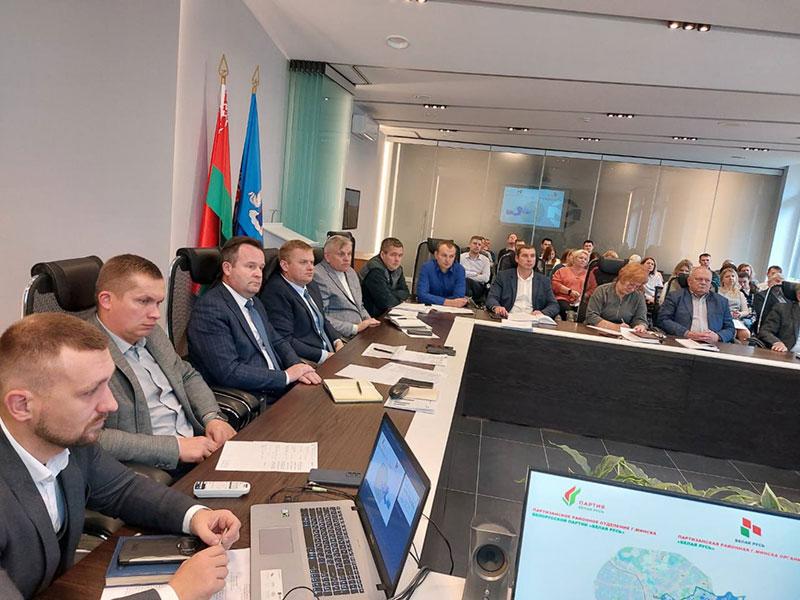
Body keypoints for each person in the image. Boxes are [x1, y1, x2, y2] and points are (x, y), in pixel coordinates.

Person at [0, 313, 241, 600]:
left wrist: (196, 516)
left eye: (107, 384)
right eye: (89, 392)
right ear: (21, 405)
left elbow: (124, 489)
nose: (111, 404)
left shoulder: (70, 441)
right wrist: (174, 594)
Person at [91, 254, 235, 472]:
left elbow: (186, 374)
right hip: (156, 468)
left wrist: (212, 417)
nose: (156, 314)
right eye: (143, 301)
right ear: (106, 300)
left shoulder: (152, 334)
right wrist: (174, 448)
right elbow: (90, 436)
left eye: (158, 303)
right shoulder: (82, 352)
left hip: (200, 446)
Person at [188, 236, 320, 398]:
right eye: (250, 266)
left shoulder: (254, 302)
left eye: (261, 268)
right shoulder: (211, 309)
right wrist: (286, 376)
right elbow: (229, 372)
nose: (258, 274)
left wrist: (299, 367)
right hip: (256, 397)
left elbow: (277, 341)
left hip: (280, 387)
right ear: (227, 268)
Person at [262, 240, 345, 364]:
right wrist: (325, 356)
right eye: (303, 262)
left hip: (330, 353)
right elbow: (285, 340)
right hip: (307, 360)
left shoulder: (311, 284)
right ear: (285, 265)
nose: (311, 267)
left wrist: (337, 341)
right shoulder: (276, 292)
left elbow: (322, 320)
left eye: (312, 262)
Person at [313, 235, 380, 339]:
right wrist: (355, 328)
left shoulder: (351, 272)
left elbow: (359, 305)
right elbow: (321, 316)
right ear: (327, 256)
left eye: (349, 254)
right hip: (341, 337)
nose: (347, 258)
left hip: (362, 332)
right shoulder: (318, 275)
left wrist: (368, 321)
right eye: (341, 254)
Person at [657, 266, 735, 343]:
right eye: (699, 279)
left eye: (707, 280)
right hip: (682, 341)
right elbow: (663, 320)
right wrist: (686, 333)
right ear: (689, 281)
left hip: (713, 345)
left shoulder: (721, 301)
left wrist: (718, 337)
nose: (703, 283)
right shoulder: (675, 297)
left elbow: (730, 328)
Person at [485, 245, 559, 318]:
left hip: (533, 319)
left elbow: (554, 305)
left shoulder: (544, 281)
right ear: (517, 258)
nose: (529, 259)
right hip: (507, 317)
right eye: (525, 256)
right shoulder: (503, 277)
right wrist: (497, 307)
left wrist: (542, 313)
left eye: (532, 256)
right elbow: (492, 298)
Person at [585, 262, 649, 332]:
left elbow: (641, 319)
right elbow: (591, 316)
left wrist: (640, 326)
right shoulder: (601, 291)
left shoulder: (638, 296)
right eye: (631, 284)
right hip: (595, 332)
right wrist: (615, 327)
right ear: (622, 278)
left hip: (624, 335)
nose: (633, 289)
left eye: (637, 286)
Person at [359, 237, 410, 316]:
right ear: (382, 255)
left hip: (386, 313)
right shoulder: (375, 270)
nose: (397, 259)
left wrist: (390, 293)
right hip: (370, 316)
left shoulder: (398, 269)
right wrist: (395, 296)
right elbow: (387, 302)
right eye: (393, 255)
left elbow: (406, 292)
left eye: (400, 255)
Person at [416, 240, 469, 307]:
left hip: (451, 310)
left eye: (451, 256)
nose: (447, 260)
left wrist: (432, 298)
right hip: (429, 307)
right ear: (436, 255)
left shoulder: (460, 270)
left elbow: (459, 297)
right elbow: (422, 295)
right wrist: (449, 302)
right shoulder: (427, 267)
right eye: (444, 255)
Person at [757, 284, 800, 353]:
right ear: (799, 295)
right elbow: (765, 332)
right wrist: (777, 342)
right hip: (787, 354)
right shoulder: (782, 309)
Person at [551, 249, 589, 320]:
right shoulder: (562, 271)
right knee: (568, 312)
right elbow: (555, 285)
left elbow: (592, 289)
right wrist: (569, 291)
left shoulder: (589, 274)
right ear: (574, 259)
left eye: (585, 259)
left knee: (583, 313)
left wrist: (583, 296)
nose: (583, 260)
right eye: (581, 258)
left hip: (580, 301)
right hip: (563, 298)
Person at [718, 266, 751, 342]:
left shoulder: (740, 294)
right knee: (731, 333)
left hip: (735, 319)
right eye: (727, 276)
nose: (731, 278)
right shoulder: (717, 292)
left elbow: (746, 311)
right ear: (722, 279)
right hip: (721, 318)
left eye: (733, 276)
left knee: (746, 334)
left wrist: (740, 314)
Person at [460, 235, 491, 304]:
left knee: (467, 280)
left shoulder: (485, 260)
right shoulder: (461, 257)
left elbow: (486, 278)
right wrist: (475, 274)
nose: (477, 246)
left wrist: (466, 274)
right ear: (469, 245)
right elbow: (458, 274)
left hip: (478, 287)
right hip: (462, 285)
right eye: (474, 243)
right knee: (465, 283)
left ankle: (466, 301)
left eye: (479, 244)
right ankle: (468, 301)